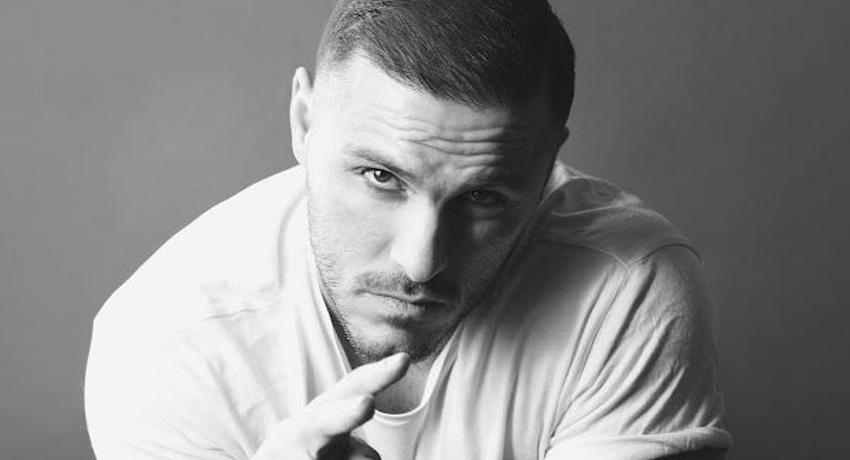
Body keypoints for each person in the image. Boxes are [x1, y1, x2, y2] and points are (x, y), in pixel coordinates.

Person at [84, 0, 732, 459]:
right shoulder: (169, 342)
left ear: (547, 162)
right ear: (304, 122)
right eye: (380, 177)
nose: (421, 261)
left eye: (483, 196)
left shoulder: (623, 285)